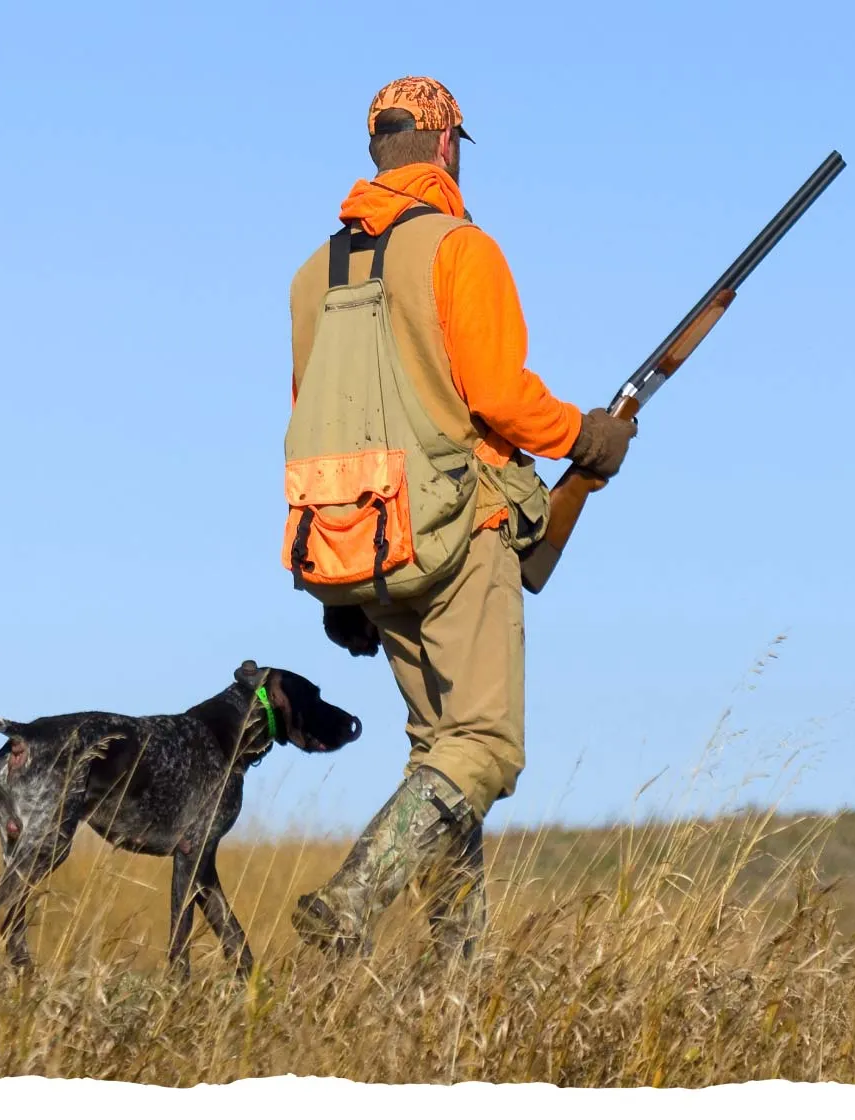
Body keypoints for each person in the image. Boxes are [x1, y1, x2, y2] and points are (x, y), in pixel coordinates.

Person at [283, 76, 636, 959]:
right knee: (485, 746)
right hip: (460, 533)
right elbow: (503, 400)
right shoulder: (459, 248)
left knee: (440, 752)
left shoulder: (311, 275)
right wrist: (584, 439)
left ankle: (455, 977)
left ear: (378, 152)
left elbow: (309, 414)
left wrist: (341, 590)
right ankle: (355, 899)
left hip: (361, 547)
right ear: (446, 149)